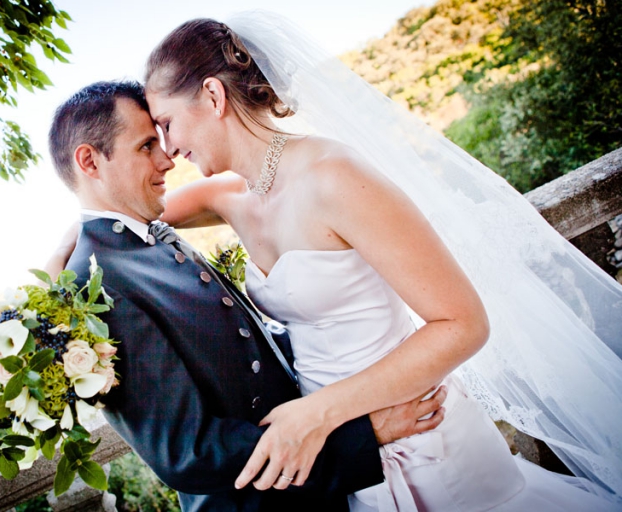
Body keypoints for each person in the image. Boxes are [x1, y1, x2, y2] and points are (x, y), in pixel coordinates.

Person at [138, 13, 622, 511]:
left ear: (214, 97)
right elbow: (128, 211)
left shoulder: (334, 176)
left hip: (427, 441)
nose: (169, 150)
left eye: (168, 124)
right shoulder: (228, 196)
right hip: (356, 458)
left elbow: (463, 324)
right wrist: (69, 250)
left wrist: (317, 413)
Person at [45, 79, 447, 511]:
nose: (167, 160)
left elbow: (245, 352)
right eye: (145, 147)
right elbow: (189, 452)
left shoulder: (144, 236)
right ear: (89, 161)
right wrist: (363, 436)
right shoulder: (95, 287)